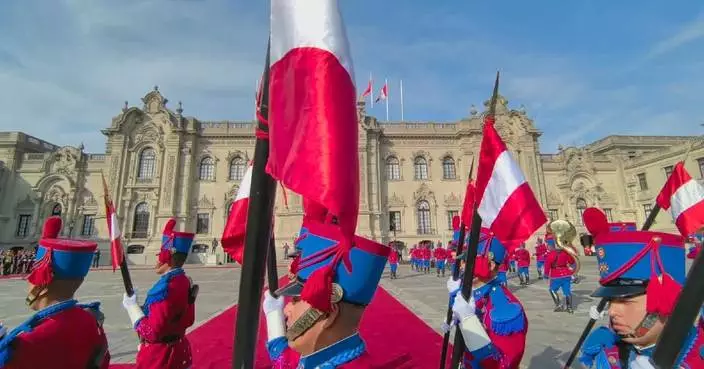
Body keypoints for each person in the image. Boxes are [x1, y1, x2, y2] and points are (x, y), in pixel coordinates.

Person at [579, 207, 704, 368]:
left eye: (627, 300)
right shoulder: (612, 357)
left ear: (669, 298)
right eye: (611, 300)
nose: (612, 311)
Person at [262, 219, 391, 368]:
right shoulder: (318, 358)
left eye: (296, 300)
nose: (286, 309)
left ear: (329, 314)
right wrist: (273, 315)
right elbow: (283, 361)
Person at [0, 216, 110, 369]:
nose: (28, 281)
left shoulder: (25, 344)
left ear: (42, 284)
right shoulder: (92, 321)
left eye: (32, 276)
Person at [445, 228, 528, 369]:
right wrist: (455, 296)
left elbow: (501, 364)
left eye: (467, 260)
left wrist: (468, 321)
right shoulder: (473, 293)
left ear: (490, 264)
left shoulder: (505, 309)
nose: (461, 266)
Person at [121, 219, 198, 369]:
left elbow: (152, 332)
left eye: (160, 254)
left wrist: (132, 308)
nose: (157, 259)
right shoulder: (184, 281)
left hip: (161, 358)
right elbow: (188, 320)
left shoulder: (164, 288)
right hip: (180, 350)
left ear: (167, 257)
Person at [544, 233, 576, 313]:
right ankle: (569, 308)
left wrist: (546, 275)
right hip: (566, 274)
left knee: (552, 290)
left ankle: (558, 305)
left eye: (548, 245)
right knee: (567, 291)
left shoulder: (550, 254)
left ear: (552, 245)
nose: (548, 246)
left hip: (556, 275)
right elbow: (572, 261)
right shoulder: (565, 252)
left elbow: (547, 266)